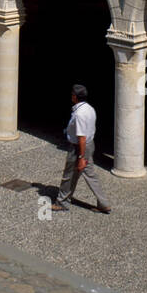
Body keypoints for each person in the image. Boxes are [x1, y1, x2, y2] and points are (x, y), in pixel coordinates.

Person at [52, 84, 112, 214]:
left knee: (68, 175)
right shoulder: (90, 109)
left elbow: (81, 138)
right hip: (90, 145)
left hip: (79, 148)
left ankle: (62, 202)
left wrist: (80, 157)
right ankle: (104, 203)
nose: (71, 96)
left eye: (72, 94)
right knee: (90, 175)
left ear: (75, 96)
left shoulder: (79, 114)